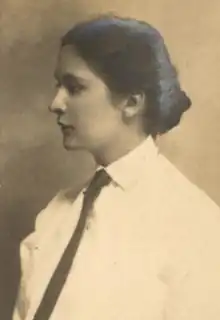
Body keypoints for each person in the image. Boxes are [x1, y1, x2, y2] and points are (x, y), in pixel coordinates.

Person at [13, 14, 220, 320]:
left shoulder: (195, 224)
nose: (55, 103)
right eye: (59, 86)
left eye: (75, 87)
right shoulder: (55, 214)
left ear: (132, 103)